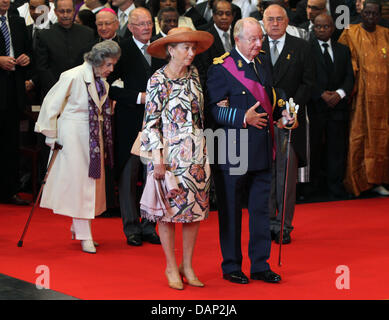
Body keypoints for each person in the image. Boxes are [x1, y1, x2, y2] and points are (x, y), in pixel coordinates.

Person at [206, 17, 294, 284]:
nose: (259, 44)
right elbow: (213, 110)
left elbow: (272, 96)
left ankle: (260, 264)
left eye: (261, 39)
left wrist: (286, 114)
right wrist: (243, 117)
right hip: (233, 149)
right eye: (253, 39)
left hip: (262, 147)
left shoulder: (262, 61)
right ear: (237, 40)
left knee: (260, 210)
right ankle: (232, 265)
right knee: (231, 211)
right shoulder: (221, 68)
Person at [140, 26, 213, 290]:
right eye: (186, 48)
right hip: (168, 157)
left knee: (194, 213)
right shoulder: (158, 80)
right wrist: (157, 159)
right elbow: (150, 124)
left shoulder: (194, 75)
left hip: (196, 155)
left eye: (193, 48)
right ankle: (171, 266)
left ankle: (188, 265)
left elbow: (199, 116)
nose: (191, 53)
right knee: (169, 214)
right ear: (171, 50)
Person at [34, 40, 121, 253]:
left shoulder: (102, 81)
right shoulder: (72, 75)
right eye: (108, 64)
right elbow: (50, 104)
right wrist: (51, 135)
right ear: (98, 61)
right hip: (72, 134)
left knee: (91, 182)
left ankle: (79, 227)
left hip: (92, 136)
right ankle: (84, 234)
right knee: (80, 184)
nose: (111, 69)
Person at [108, 7, 165, 246]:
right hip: (130, 121)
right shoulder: (120, 50)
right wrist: (138, 97)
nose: (146, 28)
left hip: (157, 123)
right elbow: (108, 86)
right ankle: (131, 227)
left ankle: (149, 225)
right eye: (140, 24)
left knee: (153, 174)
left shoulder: (161, 49)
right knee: (129, 175)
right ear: (130, 27)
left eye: (149, 24)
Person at [262, 4, 315, 244]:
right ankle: (264, 224)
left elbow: (309, 83)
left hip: (289, 122)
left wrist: (290, 111)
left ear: (286, 22)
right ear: (263, 22)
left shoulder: (302, 47)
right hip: (260, 122)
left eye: (279, 19)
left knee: (285, 178)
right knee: (264, 176)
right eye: (270, 19)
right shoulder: (255, 46)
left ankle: (283, 225)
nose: (274, 23)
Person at [338, 0, 389, 196]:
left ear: (379, 15)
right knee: (358, 139)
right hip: (359, 99)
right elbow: (345, 67)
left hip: (384, 101)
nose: (370, 17)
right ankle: (356, 183)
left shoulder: (386, 34)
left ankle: (378, 181)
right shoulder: (350, 33)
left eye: (374, 14)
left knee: (381, 140)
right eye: (367, 13)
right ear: (361, 12)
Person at [308, 13, 354, 199]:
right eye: (318, 26)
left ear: (332, 28)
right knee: (315, 149)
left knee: (337, 149)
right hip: (316, 107)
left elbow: (350, 76)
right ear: (313, 28)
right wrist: (320, 94)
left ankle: (335, 186)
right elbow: (305, 76)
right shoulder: (307, 49)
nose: (321, 29)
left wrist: (340, 94)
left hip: (338, 107)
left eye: (325, 26)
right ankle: (313, 188)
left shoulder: (343, 49)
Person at [0, 0, 32, 206]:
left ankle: (9, 190)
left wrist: (26, 58)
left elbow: (29, 51)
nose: (5, 1)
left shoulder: (17, 21)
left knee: (11, 142)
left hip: (13, 90)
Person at [35, 0, 96, 96]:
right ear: (55, 12)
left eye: (68, 11)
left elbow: (91, 63)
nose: (65, 15)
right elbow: (42, 67)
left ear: (74, 11)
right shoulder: (44, 35)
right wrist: (58, 88)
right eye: (61, 11)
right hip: (53, 91)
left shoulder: (88, 33)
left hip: (82, 90)